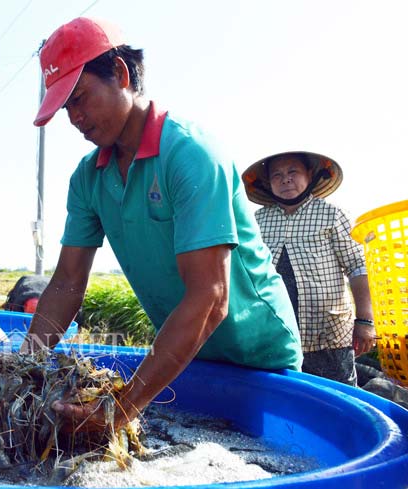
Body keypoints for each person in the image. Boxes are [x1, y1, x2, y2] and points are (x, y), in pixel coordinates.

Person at [20, 17, 302, 433]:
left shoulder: (190, 154)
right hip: (186, 354)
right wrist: (19, 369)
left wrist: (121, 407)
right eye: (66, 108)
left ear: (120, 73)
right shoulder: (88, 178)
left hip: (257, 352)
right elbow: (65, 283)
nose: (74, 118)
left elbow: (210, 298)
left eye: (80, 98)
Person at [241, 151, 375, 386]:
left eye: (293, 171)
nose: (285, 179)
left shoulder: (331, 214)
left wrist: (365, 320)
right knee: (283, 398)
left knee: (338, 399)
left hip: (328, 335)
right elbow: (245, 272)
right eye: (277, 175)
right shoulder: (258, 220)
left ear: (310, 175)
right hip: (274, 336)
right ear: (268, 183)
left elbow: (357, 266)